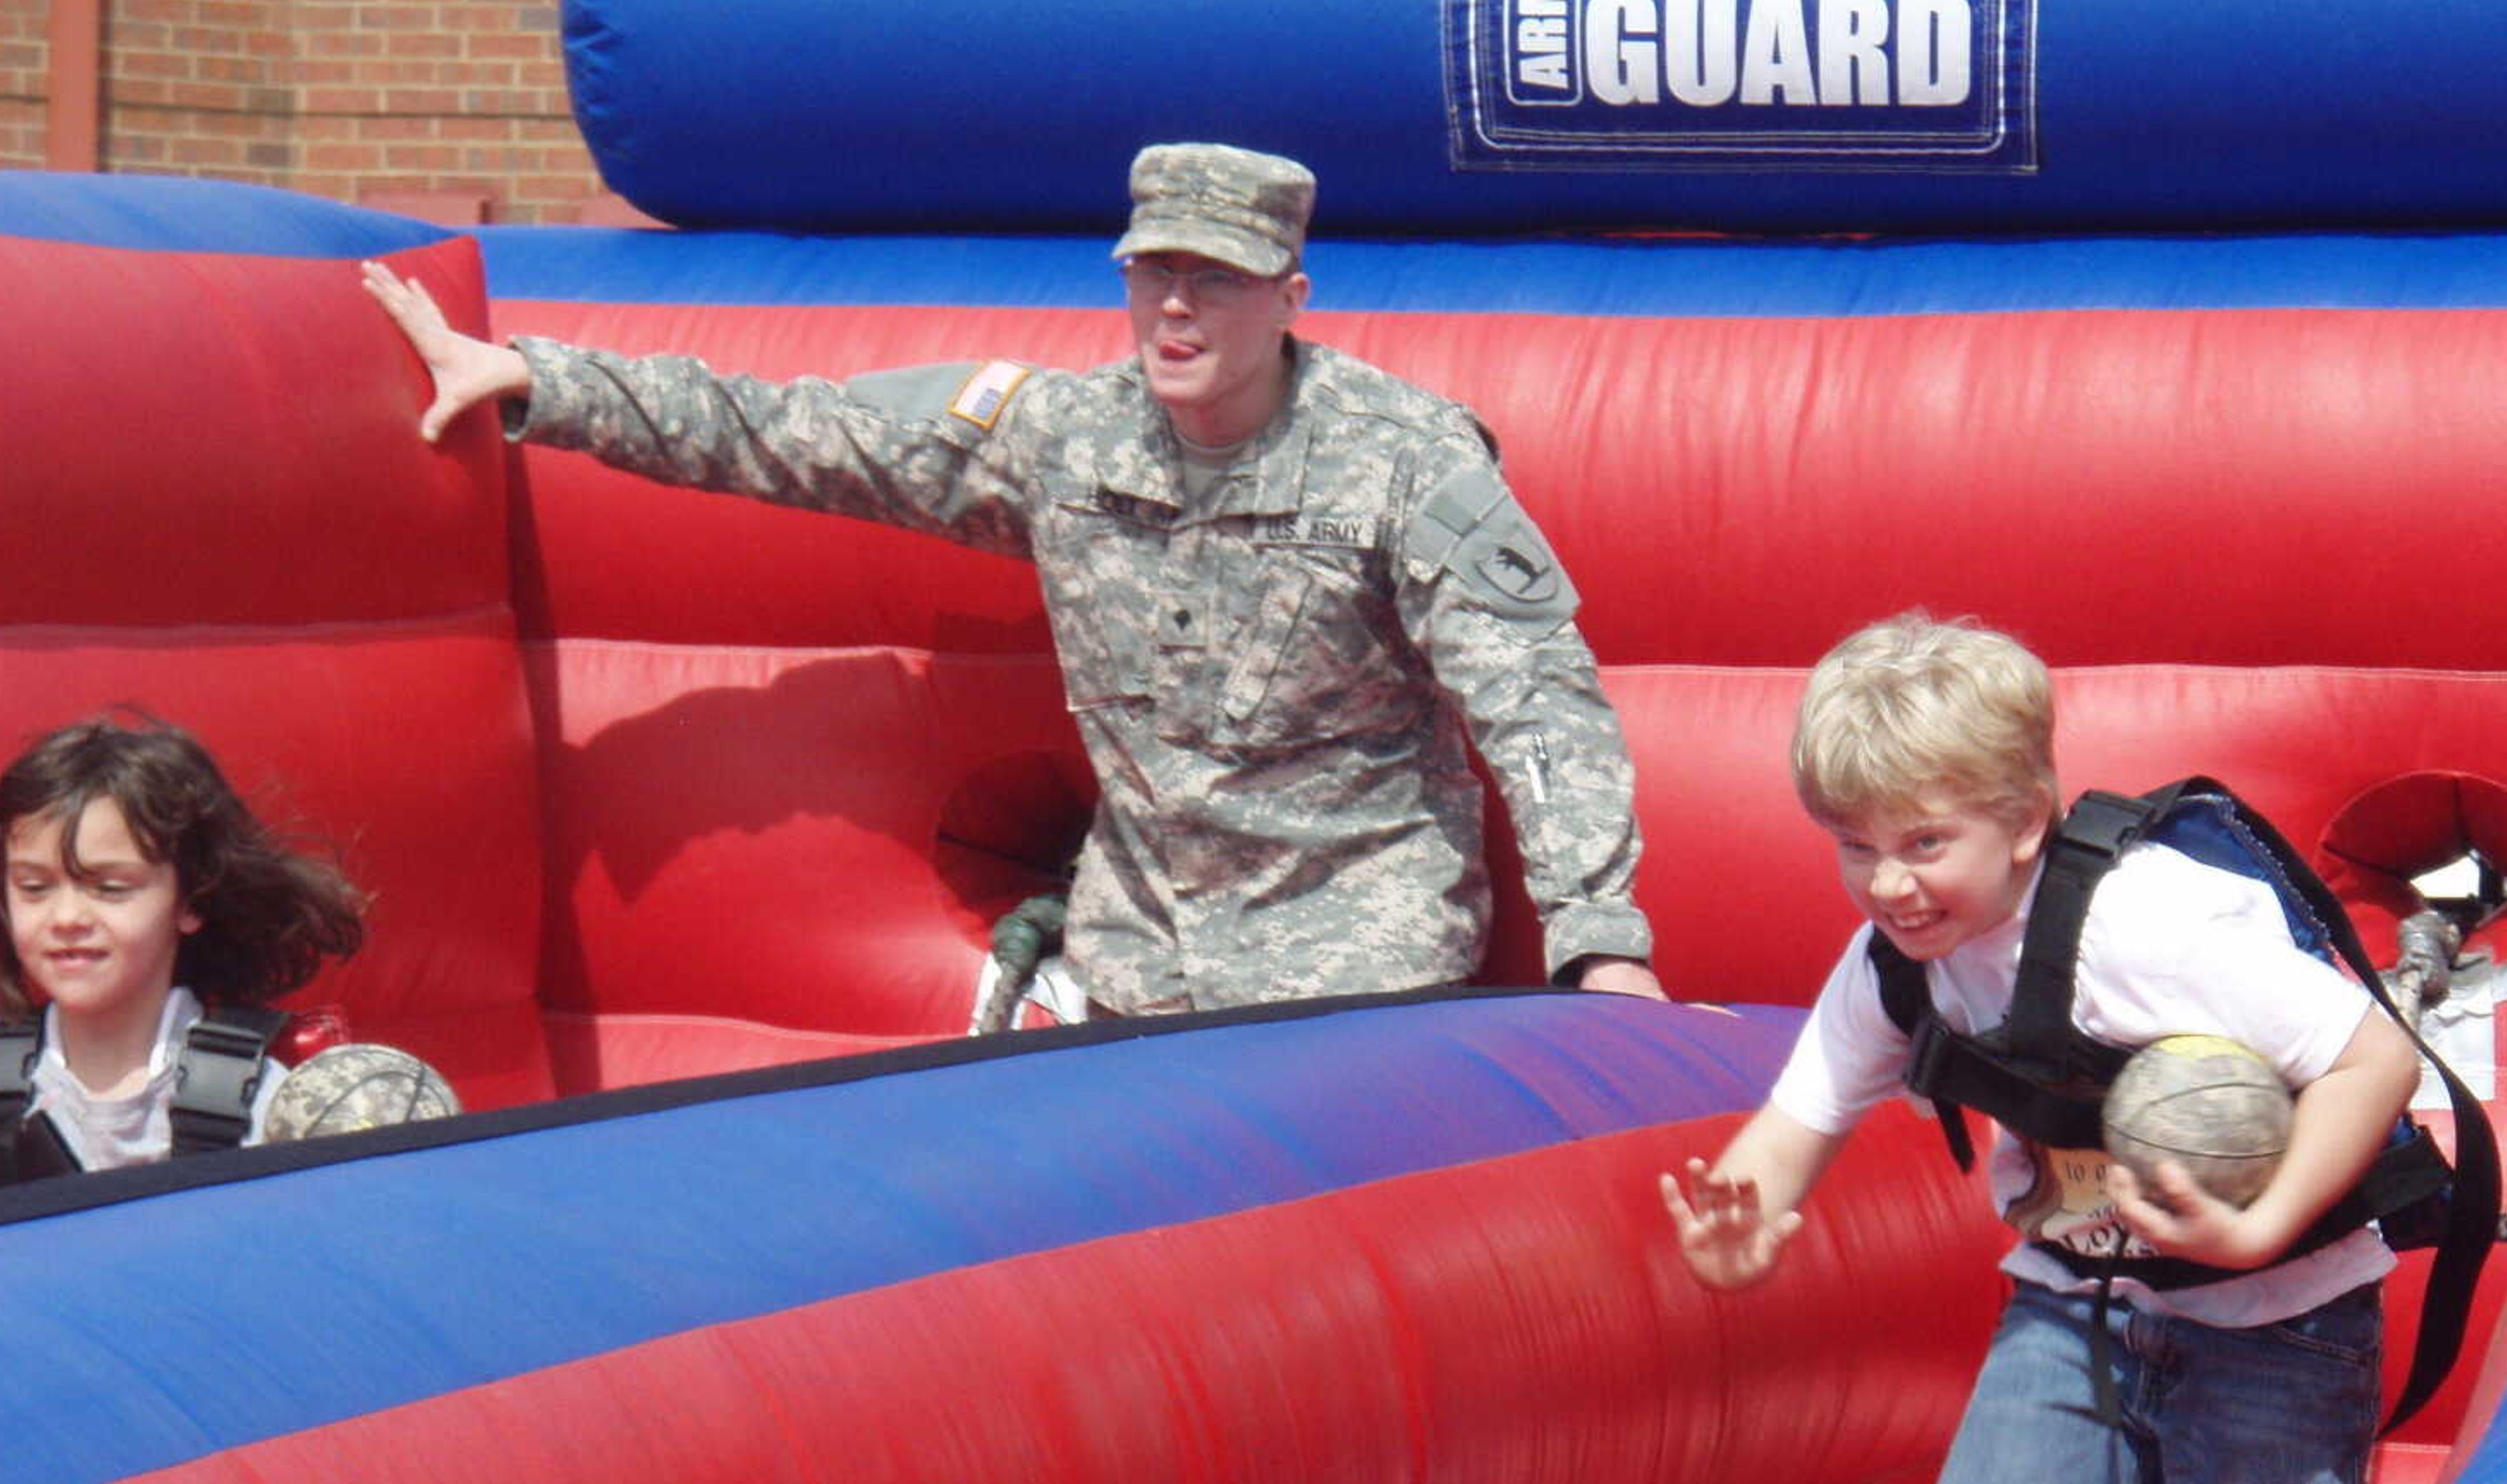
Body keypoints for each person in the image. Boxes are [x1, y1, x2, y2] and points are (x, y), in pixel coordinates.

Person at [362, 142, 1663, 1018]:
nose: (1175, 310)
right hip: (1136, 956)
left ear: (1291, 298)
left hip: (1352, 967)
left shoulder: (1398, 457)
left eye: (1216, 280)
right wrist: (545, 381)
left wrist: (1599, 935)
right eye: (1154, 273)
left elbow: (1535, 695)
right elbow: (798, 436)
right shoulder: (1067, 436)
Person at [1658, 614, 2420, 1484]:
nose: (1888, 884)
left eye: (1923, 842)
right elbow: (1799, 1121)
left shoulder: (2153, 927)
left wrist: (2260, 1225)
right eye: (1856, 847)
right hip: (2076, 1309)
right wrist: (1747, 1223)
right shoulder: (1905, 959)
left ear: (2024, 820)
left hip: (2274, 1324)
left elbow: (2376, 1060)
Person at [0, 717, 367, 1178]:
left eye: (110, 887)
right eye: (35, 887)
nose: (66, 919)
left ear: (191, 900)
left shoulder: (267, 1104)